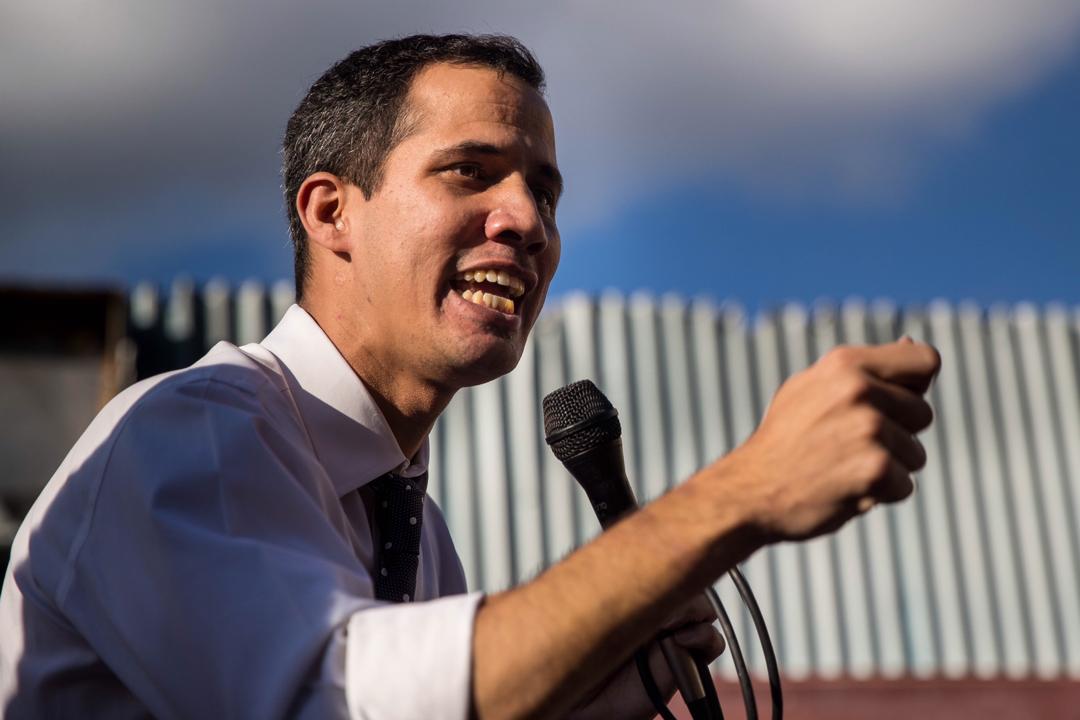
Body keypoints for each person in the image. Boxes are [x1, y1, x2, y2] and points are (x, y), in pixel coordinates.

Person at [0, 34, 940, 719]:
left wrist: (577, 704)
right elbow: (341, 701)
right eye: (469, 173)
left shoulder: (410, 528)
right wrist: (739, 494)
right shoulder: (194, 432)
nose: (526, 220)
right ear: (334, 212)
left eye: (544, 191)